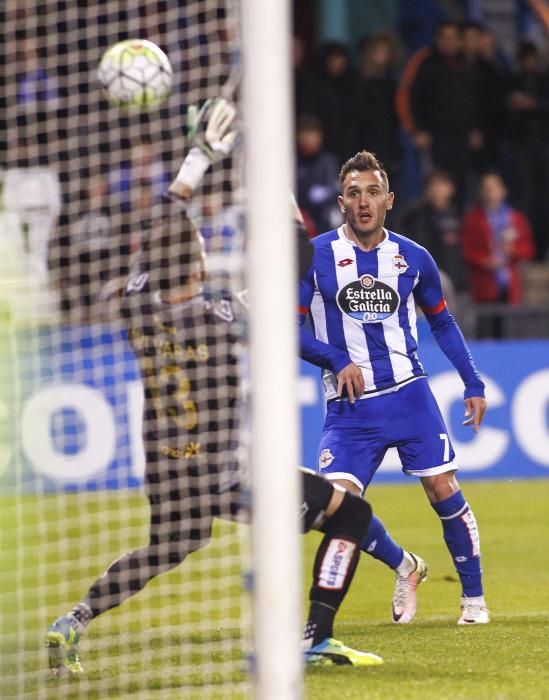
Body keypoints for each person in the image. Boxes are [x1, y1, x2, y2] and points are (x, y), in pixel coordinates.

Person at [45, 99, 383, 676]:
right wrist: (273, 182)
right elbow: (297, 255)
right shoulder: (229, 317)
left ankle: (71, 621)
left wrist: (197, 161)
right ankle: (315, 637)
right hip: (228, 472)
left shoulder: (132, 306)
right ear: (199, 267)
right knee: (350, 514)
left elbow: (160, 230)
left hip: (168, 468)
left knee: (170, 547)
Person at [299, 150, 490, 625]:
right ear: (341, 202)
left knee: (443, 487)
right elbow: (290, 329)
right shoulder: (317, 257)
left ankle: (474, 602)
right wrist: (336, 358)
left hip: (409, 394)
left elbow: (443, 324)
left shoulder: (413, 257)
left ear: (389, 198)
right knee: (337, 505)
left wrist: (472, 380)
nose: (364, 201)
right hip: (350, 409)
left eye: (372, 192)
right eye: (353, 193)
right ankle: (405, 566)